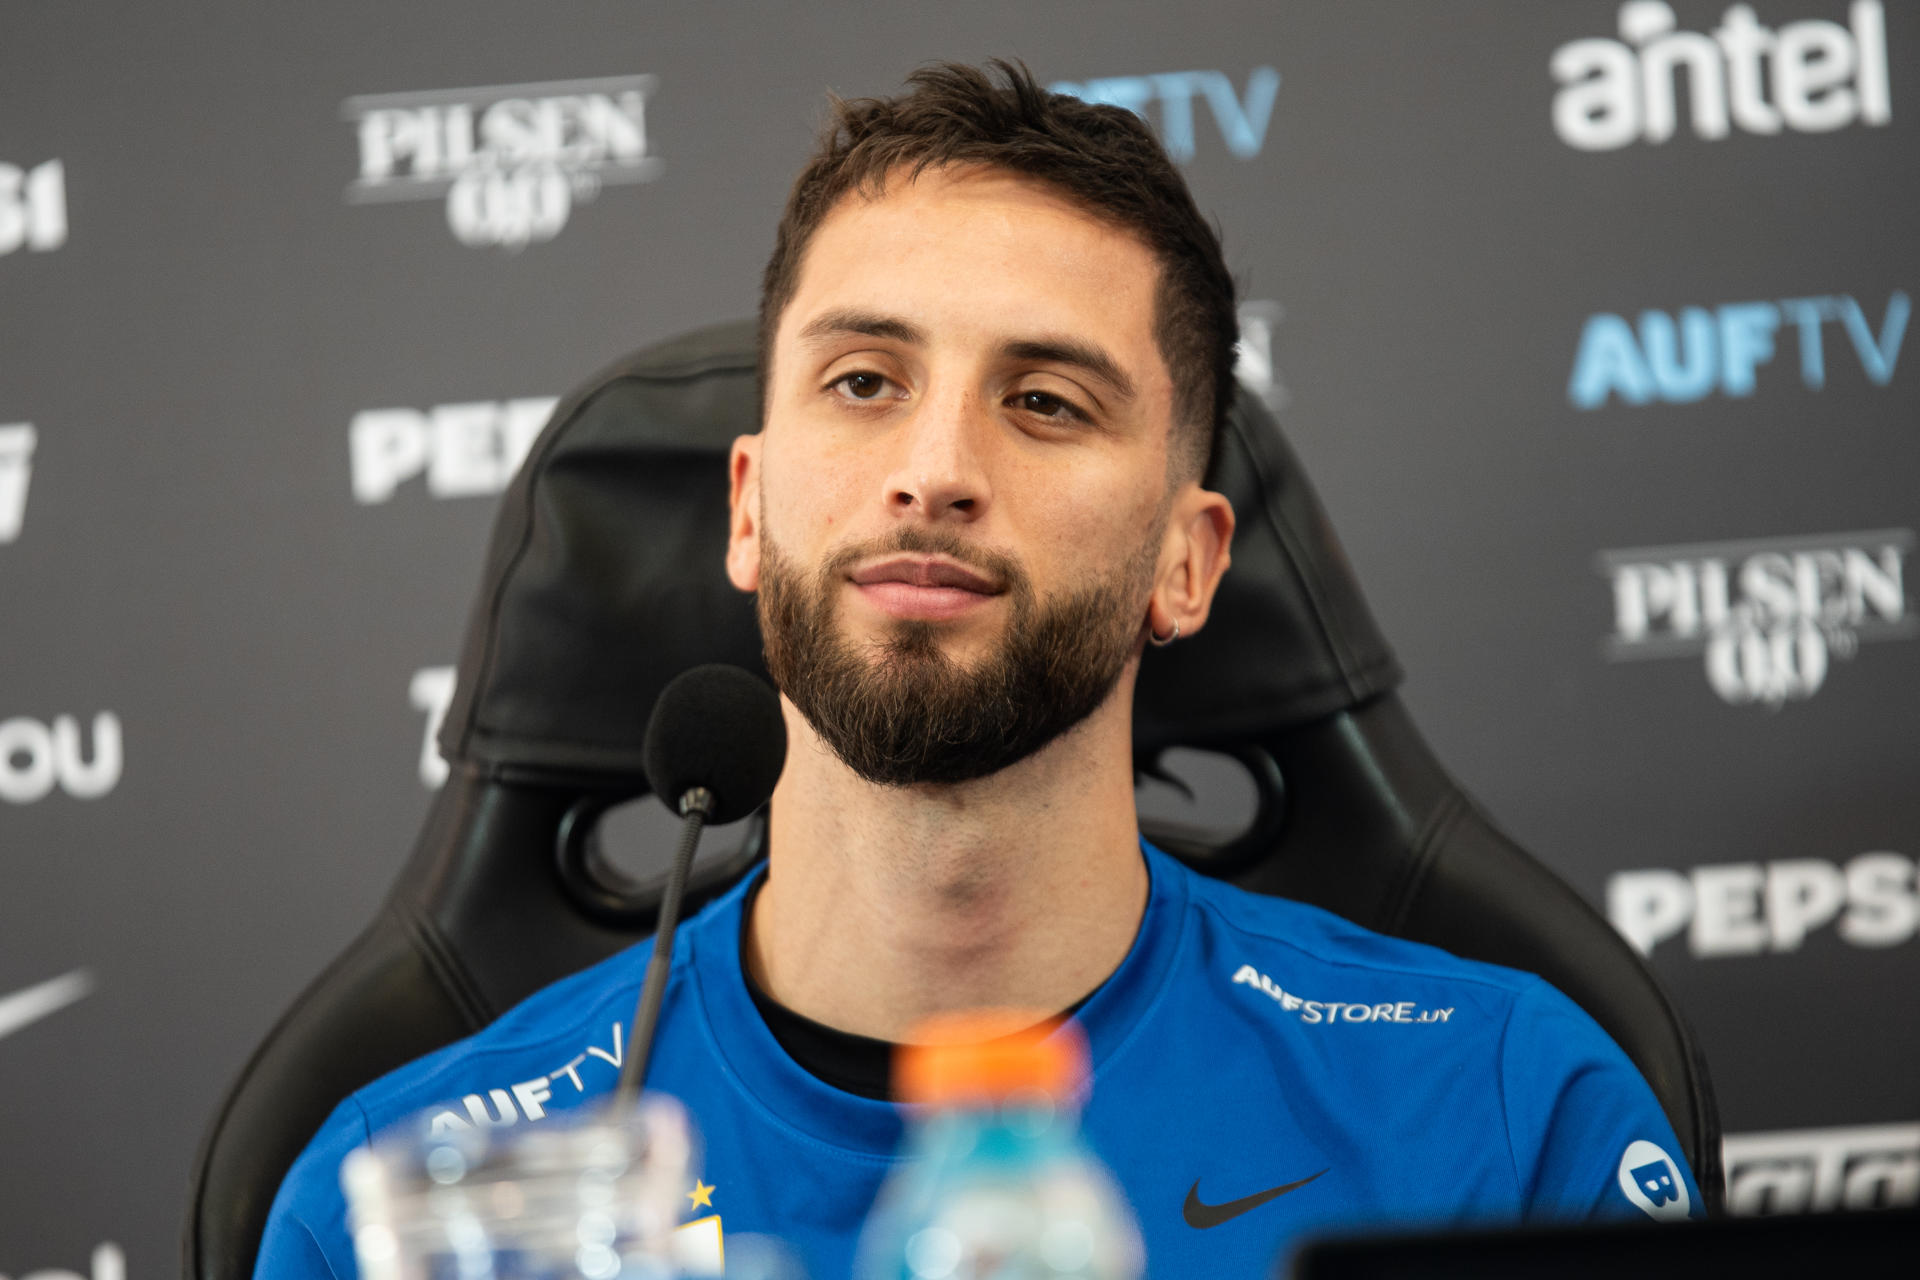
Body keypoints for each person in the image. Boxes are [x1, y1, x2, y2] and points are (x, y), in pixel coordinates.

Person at [254, 60, 1702, 1279]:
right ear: (749, 507)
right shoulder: (414, 1209)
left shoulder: (1503, 1121)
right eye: (865, 382)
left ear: (1188, 563)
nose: (936, 471)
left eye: (1047, 402)